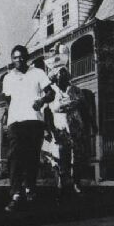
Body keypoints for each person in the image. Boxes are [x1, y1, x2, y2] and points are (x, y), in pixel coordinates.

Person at [1, 46, 48, 211]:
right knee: (14, 156)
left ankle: (30, 190)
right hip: (15, 122)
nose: (18, 60)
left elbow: (50, 93)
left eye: (21, 57)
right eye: (15, 57)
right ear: (12, 59)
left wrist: (41, 101)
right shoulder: (7, 78)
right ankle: (15, 194)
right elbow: (7, 100)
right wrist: (10, 116)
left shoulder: (38, 73)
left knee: (32, 157)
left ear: (27, 57)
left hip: (34, 120)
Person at [44, 59, 82, 199]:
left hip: (74, 125)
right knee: (58, 155)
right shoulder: (51, 91)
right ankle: (59, 183)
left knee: (75, 156)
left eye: (64, 72)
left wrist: (91, 124)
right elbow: (46, 112)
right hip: (58, 124)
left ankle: (75, 183)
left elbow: (82, 107)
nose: (62, 75)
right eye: (59, 73)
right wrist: (49, 130)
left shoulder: (75, 90)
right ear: (55, 76)